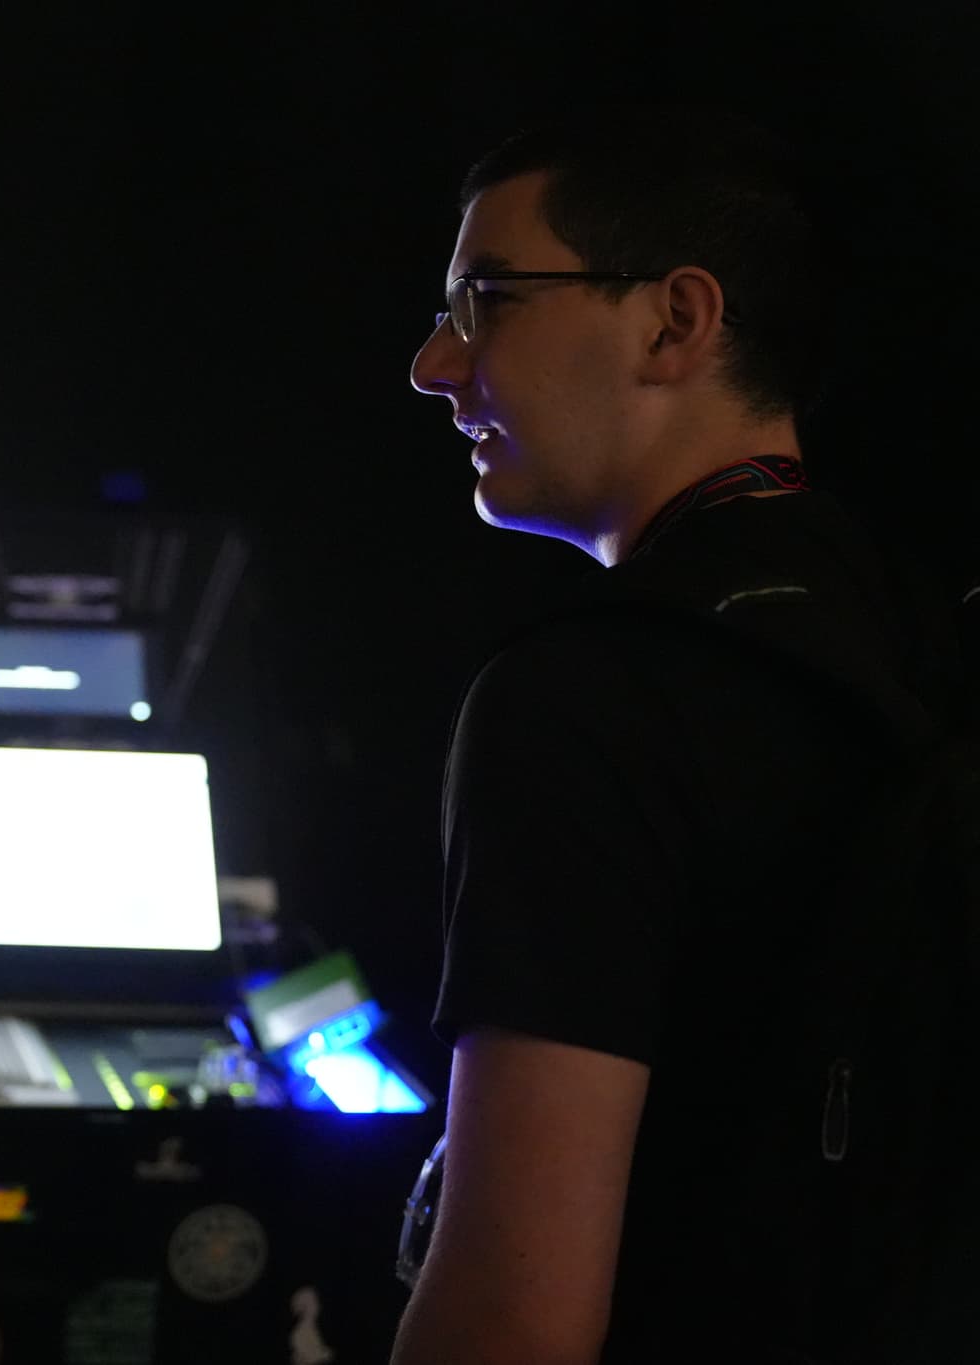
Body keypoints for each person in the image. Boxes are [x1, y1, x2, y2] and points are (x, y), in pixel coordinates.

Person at [390, 109, 965, 1364]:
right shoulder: (926, 643)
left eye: (486, 299)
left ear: (674, 321)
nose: (435, 364)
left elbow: (510, 1325)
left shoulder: (587, 695)